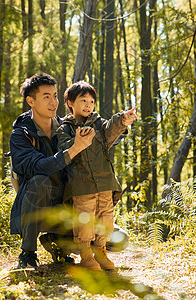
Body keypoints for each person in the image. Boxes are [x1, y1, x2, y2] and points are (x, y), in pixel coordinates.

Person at [9, 73, 96, 269]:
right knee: (39, 181)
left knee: (114, 240)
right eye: (46, 96)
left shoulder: (66, 127)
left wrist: (121, 126)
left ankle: (56, 242)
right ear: (31, 101)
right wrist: (74, 149)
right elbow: (37, 167)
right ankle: (28, 253)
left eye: (55, 96)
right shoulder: (20, 134)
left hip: (67, 204)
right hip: (36, 207)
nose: (53, 102)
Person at [56, 80, 137, 271]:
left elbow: (111, 130)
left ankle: (101, 252)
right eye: (83, 100)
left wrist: (123, 119)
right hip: (81, 185)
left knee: (105, 217)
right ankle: (85, 255)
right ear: (70, 103)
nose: (88, 105)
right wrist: (77, 141)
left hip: (105, 182)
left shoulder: (99, 124)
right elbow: (63, 150)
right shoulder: (64, 128)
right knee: (84, 219)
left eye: (91, 101)